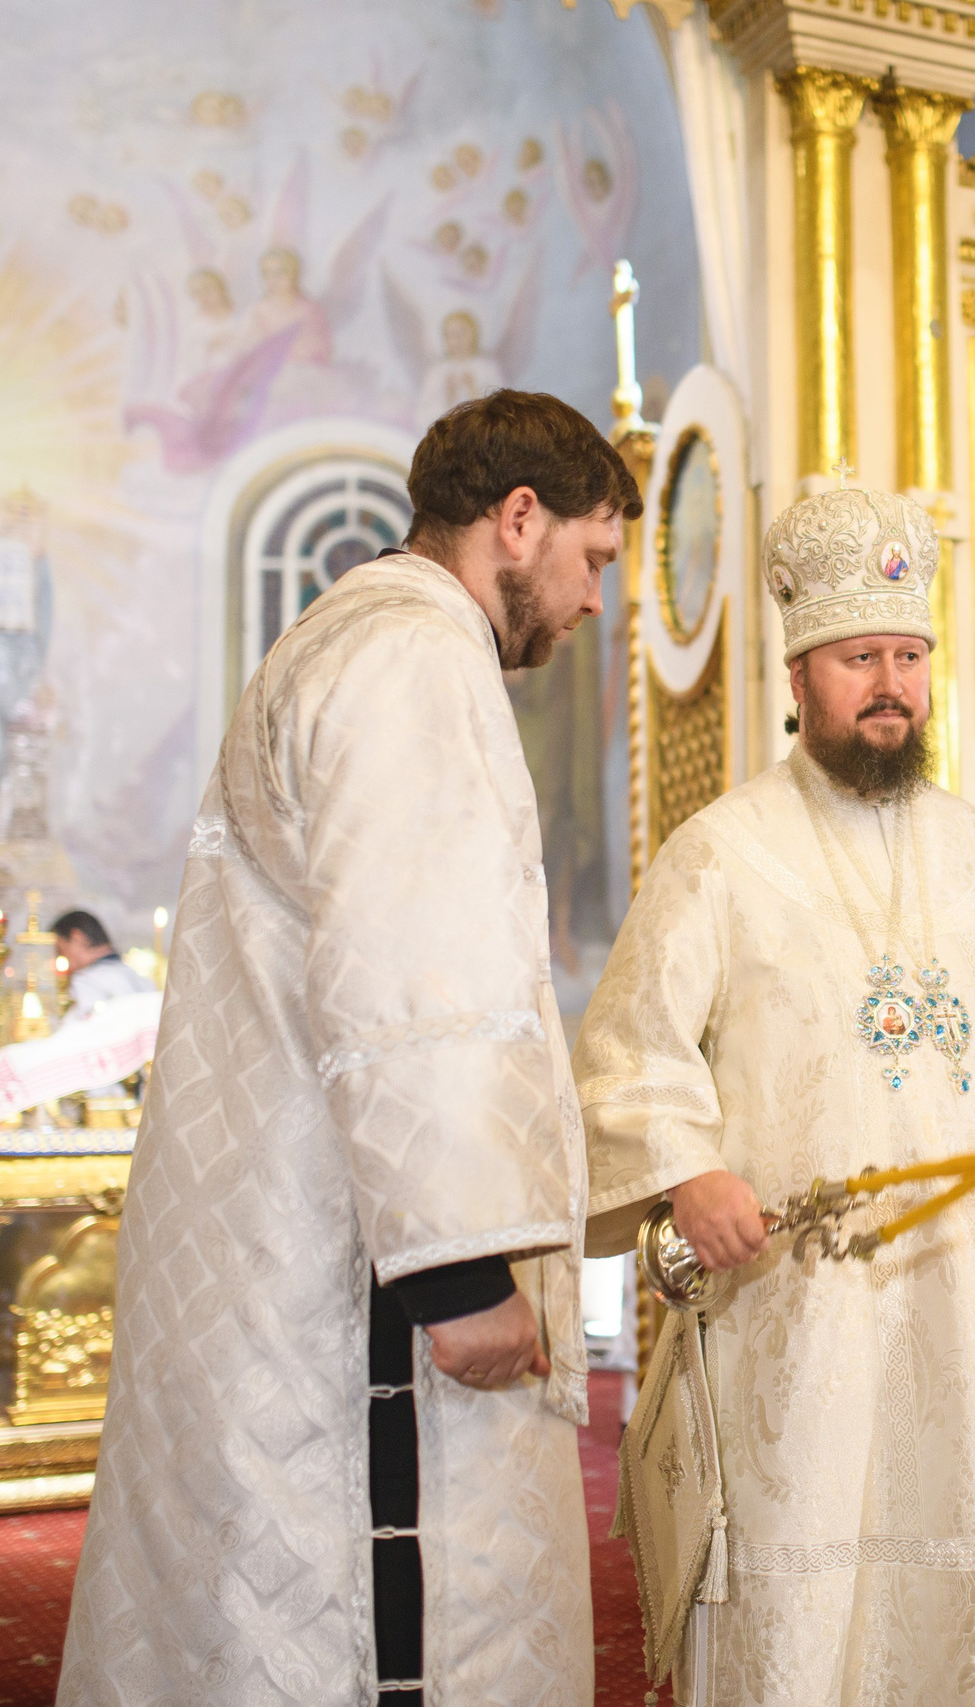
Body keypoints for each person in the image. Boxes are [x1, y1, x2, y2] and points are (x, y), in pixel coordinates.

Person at [60, 390, 641, 1706]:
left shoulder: (339, 635)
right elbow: (410, 962)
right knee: (387, 1631)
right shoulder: (418, 659)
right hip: (363, 1274)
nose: (595, 600)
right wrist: (460, 1271)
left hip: (289, 1223)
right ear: (519, 518)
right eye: (592, 560)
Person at [578, 482, 975, 1706]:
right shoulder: (721, 853)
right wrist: (688, 1172)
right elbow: (632, 1049)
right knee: (810, 1614)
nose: (891, 683)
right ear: (802, 673)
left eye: (908, 656)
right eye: (861, 657)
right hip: (806, 1328)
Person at [49, 909, 156, 1022]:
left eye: (60, 950)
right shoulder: (142, 978)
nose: (61, 958)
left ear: (77, 937)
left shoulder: (86, 982)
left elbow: (86, 1032)